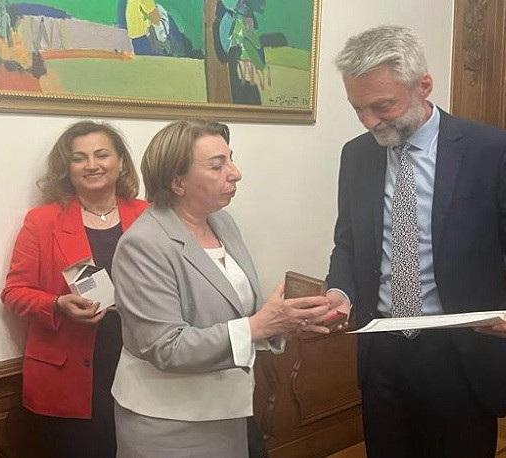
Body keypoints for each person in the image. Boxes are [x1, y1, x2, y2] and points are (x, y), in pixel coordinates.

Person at [325, 25, 506, 457]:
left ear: (424, 85)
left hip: (463, 358)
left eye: (383, 106)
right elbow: (348, 244)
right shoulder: (356, 155)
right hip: (382, 356)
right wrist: (339, 292)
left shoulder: (493, 152)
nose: (370, 122)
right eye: (358, 109)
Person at [110, 119, 337, 458]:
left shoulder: (221, 221)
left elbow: (239, 314)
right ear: (177, 182)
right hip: (170, 423)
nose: (236, 173)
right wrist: (259, 326)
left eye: (231, 159)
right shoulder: (143, 245)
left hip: (229, 408)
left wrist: (285, 322)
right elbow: (166, 346)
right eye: (217, 166)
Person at [2, 121, 147, 457]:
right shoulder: (42, 221)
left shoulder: (149, 215)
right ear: (67, 168)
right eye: (79, 158)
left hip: (139, 363)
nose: (91, 165)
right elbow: (14, 292)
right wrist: (57, 304)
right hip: (70, 373)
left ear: (121, 162)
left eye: (101, 155)